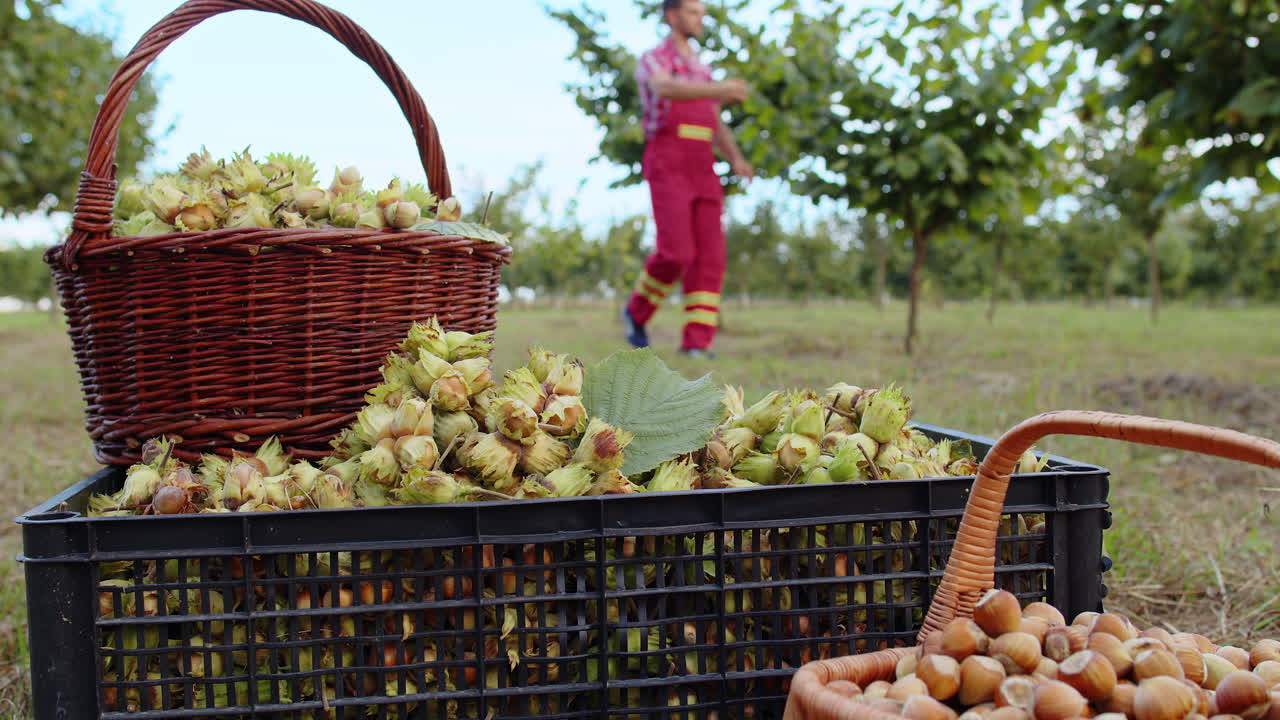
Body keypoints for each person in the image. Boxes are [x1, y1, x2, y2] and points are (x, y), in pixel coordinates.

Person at [622, 0, 754, 359]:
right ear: (672, 15)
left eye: (702, 12)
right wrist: (721, 89)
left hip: (702, 165)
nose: (701, 18)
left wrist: (736, 158)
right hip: (668, 159)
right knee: (676, 252)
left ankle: (697, 342)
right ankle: (636, 312)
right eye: (694, 11)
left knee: (711, 256)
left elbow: (715, 121)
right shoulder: (655, 58)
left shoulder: (701, 68)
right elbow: (664, 88)